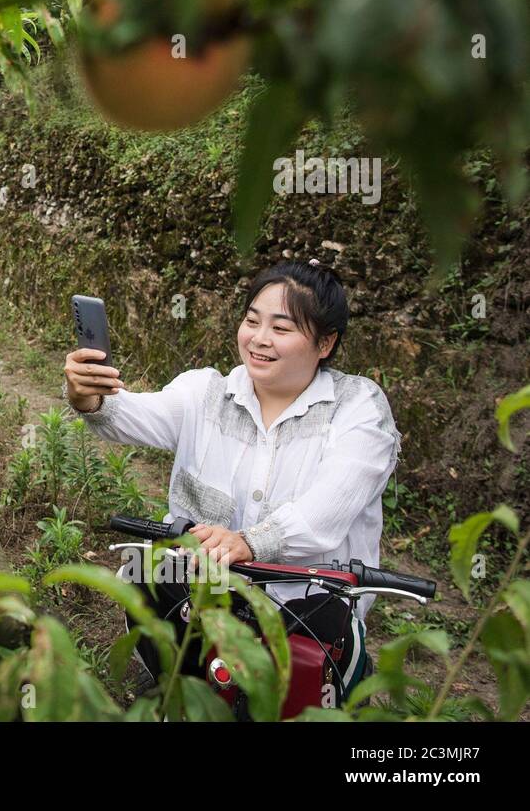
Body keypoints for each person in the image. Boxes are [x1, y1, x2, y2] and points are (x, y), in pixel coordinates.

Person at [62, 260, 401, 697]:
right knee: (178, 681)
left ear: (325, 342)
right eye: (251, 321)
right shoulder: (206, 393)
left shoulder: (358, 410)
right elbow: (128, 414)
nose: (259, 339)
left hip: (304, 614)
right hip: (199, 599)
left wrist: (250, 541)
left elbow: (326, 511)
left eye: (282, 328)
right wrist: (89, 398)